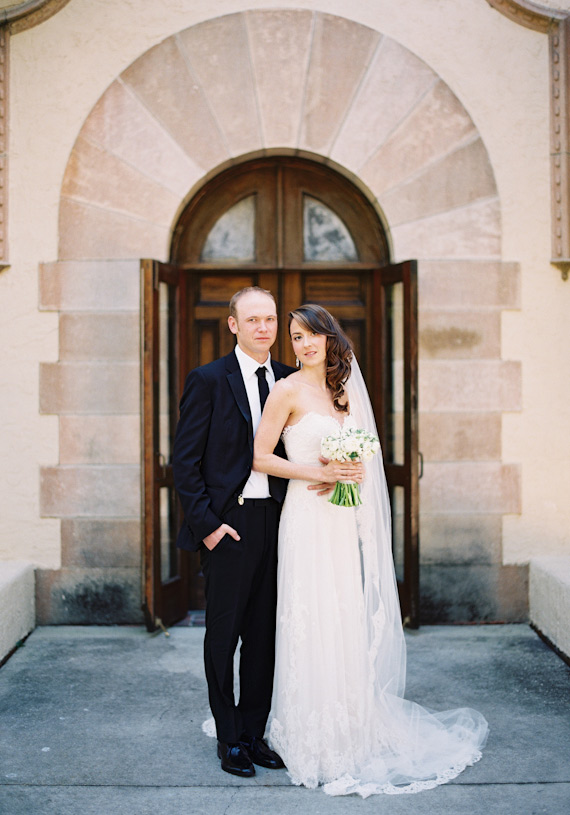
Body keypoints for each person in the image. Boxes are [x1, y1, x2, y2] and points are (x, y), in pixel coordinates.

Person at [253, 303, 489, 797]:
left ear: (329, 338)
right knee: (308, 615)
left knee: (342, 614)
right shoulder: (286, 390)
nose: (304, 344)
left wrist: (352, 471)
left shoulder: (342, 392)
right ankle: (307, 731)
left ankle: (351, 724)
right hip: (305, 516)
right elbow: (260, 457)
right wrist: (318, 471)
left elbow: (361, 457)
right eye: (295, 337)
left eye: (311, 334)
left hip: (340, 518)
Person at [172, 287, 302, 779]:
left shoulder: (290, 379)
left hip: (279, 522)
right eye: (252, 320)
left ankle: (253, 734)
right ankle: (228, 738)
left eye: (270, 319)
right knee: (224, 636)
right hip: (230, 524)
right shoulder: (208, 380)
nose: (263, 328)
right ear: (233, 325)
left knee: (264, 637)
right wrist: (207, 527)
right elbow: (185, 464)